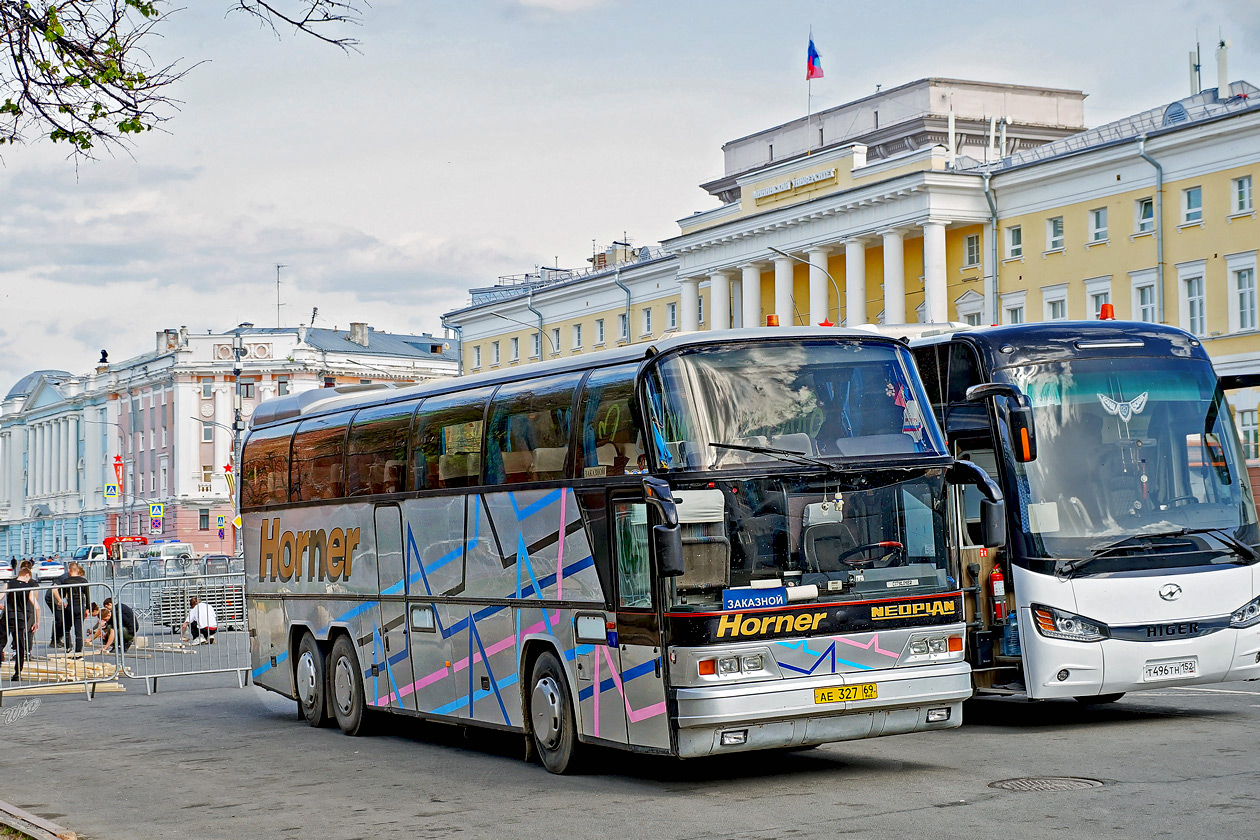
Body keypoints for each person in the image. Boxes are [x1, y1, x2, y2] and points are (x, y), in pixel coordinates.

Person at [4, 560, 40, 680]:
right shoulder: (29, 586)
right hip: (20, 617)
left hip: (8, 616)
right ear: (27, 575)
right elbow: (37, 606)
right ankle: (17, 672)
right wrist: (37, 621)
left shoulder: (9, 584)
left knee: (1, 642)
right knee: (21, 642)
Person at [62, 562, 91, 656]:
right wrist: (87, 609)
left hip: (70, 606)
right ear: (78, 570)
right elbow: (87, 596)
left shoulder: (66, 581)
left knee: (67, 628)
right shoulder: (83, 581)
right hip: (80, 606)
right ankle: (78, 651)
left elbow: (63, 594)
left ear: (69, 570)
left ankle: (68, 647)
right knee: (78, 630)